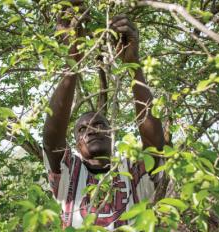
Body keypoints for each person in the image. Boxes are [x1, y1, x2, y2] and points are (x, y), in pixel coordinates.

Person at [42, 1, 165, 229]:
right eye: (82, 129)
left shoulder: (133, 172)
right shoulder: (69, 173)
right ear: (77, 144)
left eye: (100, 124)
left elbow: (154, 143)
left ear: (112, 134)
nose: (92, 130)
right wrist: (74, 55)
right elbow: (51, 139)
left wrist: (132, 64)